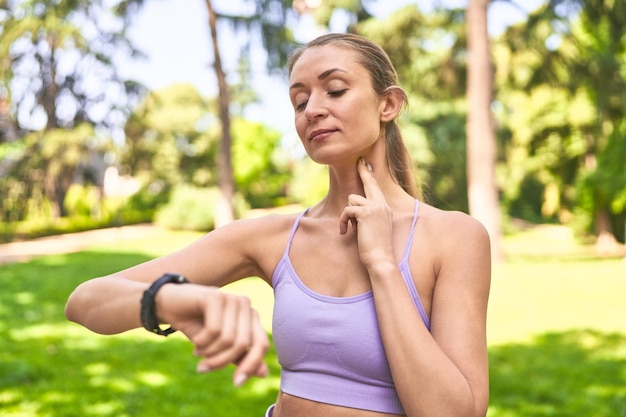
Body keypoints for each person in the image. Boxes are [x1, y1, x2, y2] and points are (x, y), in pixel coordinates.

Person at [65, 33, 491, 417]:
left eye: (335, 90)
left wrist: (381, 262)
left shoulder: (455, 237)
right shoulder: (272, 238)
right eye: (300, 101)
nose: (314, 110)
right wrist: (172, 299)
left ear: (388, 104)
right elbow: (85, 302)